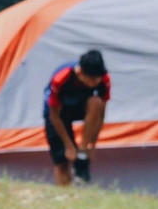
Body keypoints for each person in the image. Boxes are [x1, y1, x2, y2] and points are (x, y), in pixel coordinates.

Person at [44, 49, 110, 185]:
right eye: (93, 79)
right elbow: (54, 116)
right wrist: (68, 145)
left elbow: (101, 113)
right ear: (80, 73)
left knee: (96, 102)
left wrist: (92, 145)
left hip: (81, 106)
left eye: (98, 78)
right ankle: (65, 190)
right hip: (58, 113)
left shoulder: (103, 79)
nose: (97, 82)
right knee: (62, 162)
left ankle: (82, 150)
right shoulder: (60, 79)